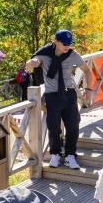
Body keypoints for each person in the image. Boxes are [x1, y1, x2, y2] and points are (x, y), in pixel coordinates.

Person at [26, 29, 89, 170]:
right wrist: (32, 62)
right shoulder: (45, 52)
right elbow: (35, 60)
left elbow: (86, 69)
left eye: (69, 43)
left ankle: (70, 155)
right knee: (53, 126)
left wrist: (88, 89)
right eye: (64, 43)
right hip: (52, 95)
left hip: (69, 93)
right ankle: (55, 153)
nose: (67, 46)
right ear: (56, 41)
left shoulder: (72, 54)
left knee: (73, 125)